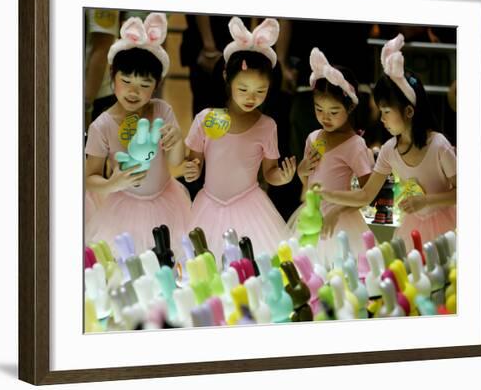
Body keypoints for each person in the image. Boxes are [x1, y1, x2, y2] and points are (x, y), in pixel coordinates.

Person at [317, 34, 456, 248]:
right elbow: (365, 194)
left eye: (387, 111)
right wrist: (329, 195)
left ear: (409, 111)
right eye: (381, 111)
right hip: (413, 225)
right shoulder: (389, 150)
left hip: (447, 225)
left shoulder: (439, 146)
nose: (382, 119)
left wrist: (427, 201)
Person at [183, 17, 296, 256]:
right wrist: (192, 169)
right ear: (227, 78)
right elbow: (194, 162)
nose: (251, 97)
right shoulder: (207, 118)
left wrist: (282, 178)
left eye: (260, 91)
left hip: (251, 206)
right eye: (243, 89)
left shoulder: (267, 125)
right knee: (205, 264)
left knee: (252, 264)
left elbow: (269, 173)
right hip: (209, 205)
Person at [84, 13, 191, 256]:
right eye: (126, 81)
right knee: (127, 262)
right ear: (112, 78)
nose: (134, 92)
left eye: (144, 85)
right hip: (123, 205)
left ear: (156, 85)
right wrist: (113, 183)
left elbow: (175, 164)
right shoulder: (102, 125)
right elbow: (89, 178)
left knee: (169, 259)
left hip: (167, 200)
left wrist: (176, 140)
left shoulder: (162, 110)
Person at [287, 47, 375, 264]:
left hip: (341, 218)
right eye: (319, 110)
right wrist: (302, 170)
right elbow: (308, 185)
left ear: (350, 107)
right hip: (311, 214)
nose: (325, 117)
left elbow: (368, 194)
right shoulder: (313, 137)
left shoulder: (355, 145)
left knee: (338, 266)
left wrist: (339, 211)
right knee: (308, 265)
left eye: (333, 112)